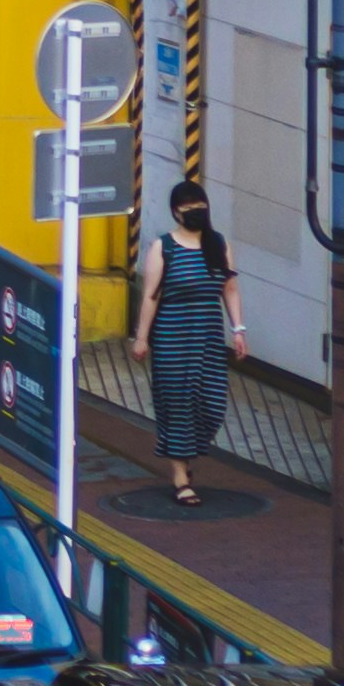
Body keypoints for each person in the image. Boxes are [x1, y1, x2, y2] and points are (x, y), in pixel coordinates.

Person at [145, 180, 244, 508]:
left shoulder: (218, 243)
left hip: (209, 338)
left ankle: (185, 456)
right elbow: (150, 297)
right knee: (177, 405)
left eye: (197, 204)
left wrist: (238, 330)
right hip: (172, 337)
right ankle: (179, 477)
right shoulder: (164, 248)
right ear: (175, 212)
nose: (193, 211)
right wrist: (141, 337)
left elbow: (229, 289)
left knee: (212, 404)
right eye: (186, 207)